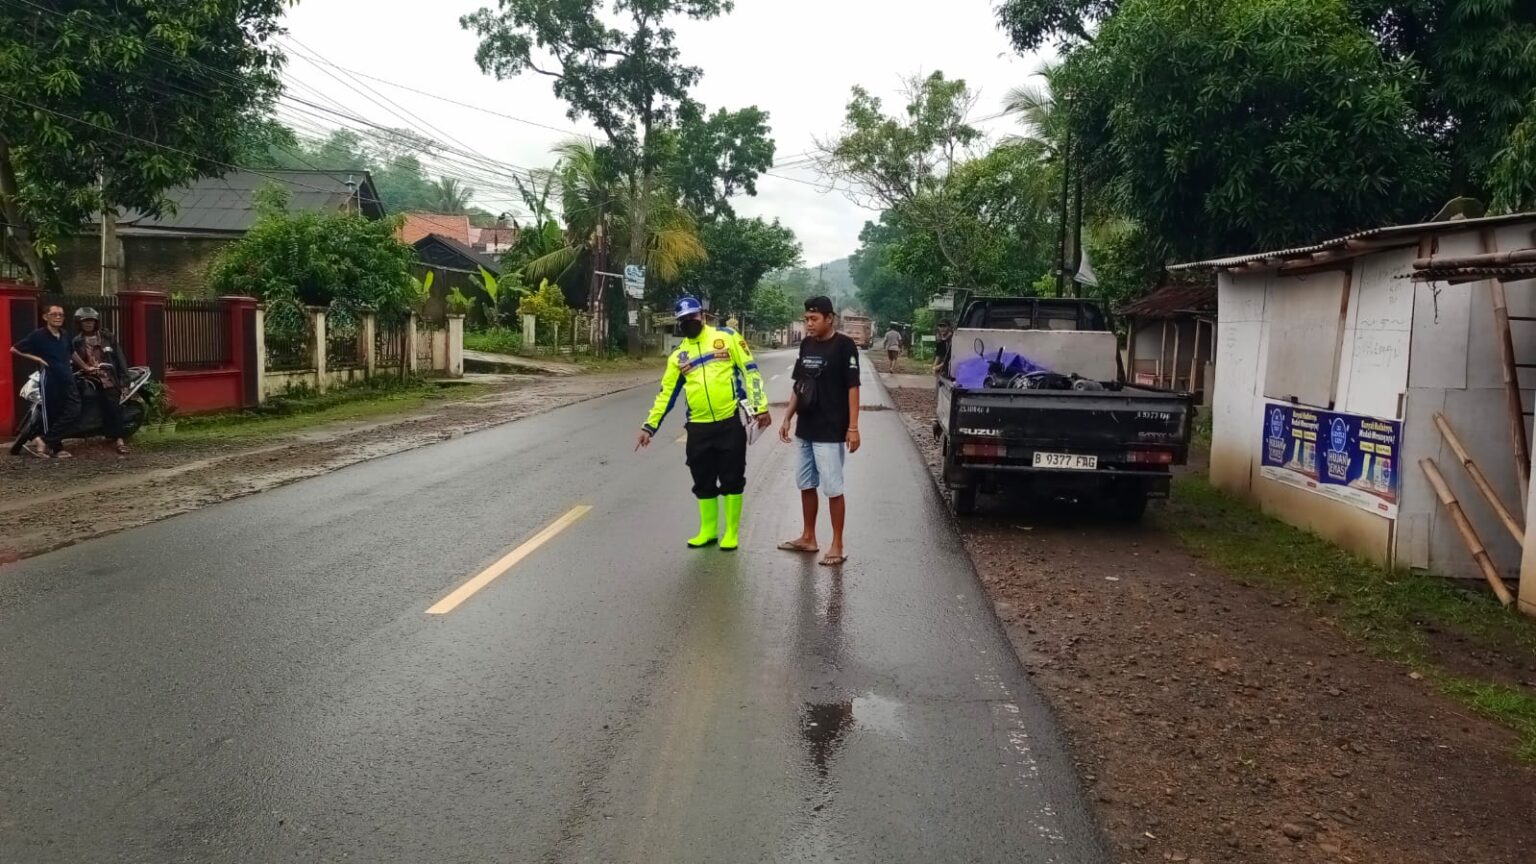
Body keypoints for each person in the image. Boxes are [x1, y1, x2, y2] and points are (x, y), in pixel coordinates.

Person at [637, 296, 771, 551]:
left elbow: (750, 371)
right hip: (698, 427)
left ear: (703, 315)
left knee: (732, 477)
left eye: (693, 317)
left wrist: (759, 405)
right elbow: (666, 394)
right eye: (683, 320)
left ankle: (731, 532)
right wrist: (649, 427)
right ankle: (708, 530)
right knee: (703, 479)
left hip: (729, 421)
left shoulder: (728, 336)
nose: (689, 322)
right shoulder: (678, 356)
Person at [778, 295, 861, 566]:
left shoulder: (844, 346)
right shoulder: (806, 344)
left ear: (829, 318)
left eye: (814, 319)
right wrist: (788, 417)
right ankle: (808, 537)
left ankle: (837, 544)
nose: (809, 324)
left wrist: (853, 428)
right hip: (806, 427)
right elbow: (799, 384)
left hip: (830, 429)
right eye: (806, 319)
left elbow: (853, 387)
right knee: (806, 484)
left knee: (833, 487)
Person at [9, 303, 79, 458]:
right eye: (54, 314)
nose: (58, 317)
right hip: (50, 378)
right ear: (45, 317)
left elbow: (72, 353)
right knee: (52, 413)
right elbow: (15, 349)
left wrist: (86, 367)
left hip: (67, 377)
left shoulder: (65, 334)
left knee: (73, 409)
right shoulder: (38, 335)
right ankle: (56, 448)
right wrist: (39, 359)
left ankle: (43, 440)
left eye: (61, 314)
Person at [72, 307, 131, 455]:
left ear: (96, 322)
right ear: (79, 323)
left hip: (108, 377)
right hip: (88, 377)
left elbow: (119, 357)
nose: (88, 324)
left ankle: (119, 439)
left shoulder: (107, 337)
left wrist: (124, 378)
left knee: (112, 404)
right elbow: (73, 360)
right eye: (85, 321)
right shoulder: (76, 341)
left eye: (91, 321)